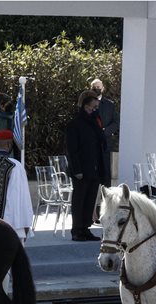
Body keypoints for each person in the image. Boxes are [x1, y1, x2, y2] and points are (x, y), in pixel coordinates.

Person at [65, 90, 110, 242]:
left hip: (95, 168)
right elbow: (73, 150)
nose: (94, 110)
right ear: (84, 105)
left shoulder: (95, 122)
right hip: (82, 169)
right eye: (91, 107)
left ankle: (85, 228)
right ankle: (77, 229)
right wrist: (77, 170)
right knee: (80, 199)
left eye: (96, 107)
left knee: (90, 199)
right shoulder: (75, 124)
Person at [91, 78, 120, 157]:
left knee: (105, 168)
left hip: (106, 144)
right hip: (89, 144)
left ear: (102, 88)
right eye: (94, 87)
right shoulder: (85, 105)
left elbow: (116, 122)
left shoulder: (110, 105)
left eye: (98, 87)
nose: (96, 89)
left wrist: (105, 131)